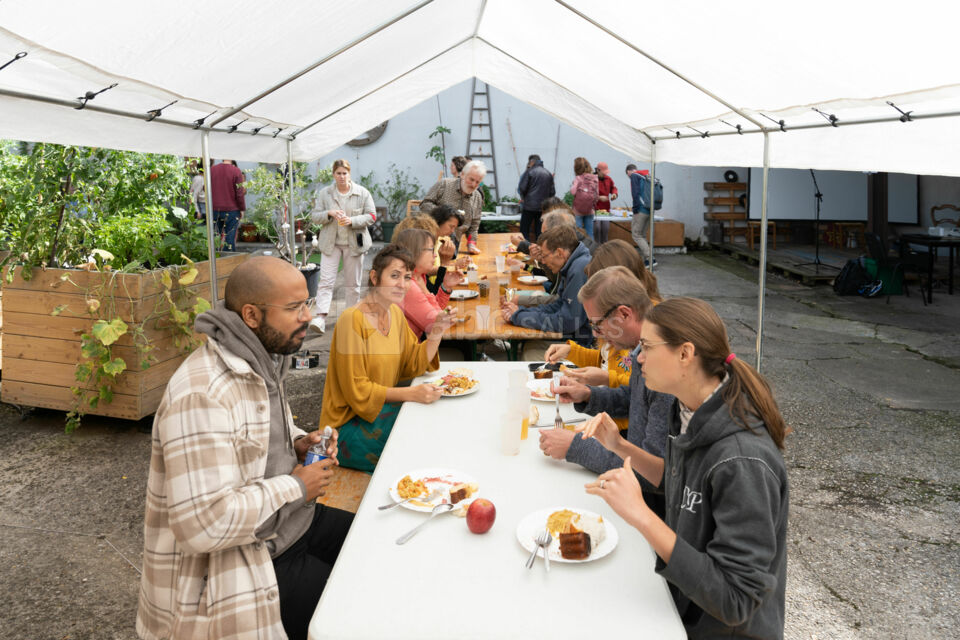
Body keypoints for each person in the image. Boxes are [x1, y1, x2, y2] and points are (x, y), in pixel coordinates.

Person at [137, 256, 353, 640]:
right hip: (254, 555)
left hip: (294, 522)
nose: (308, 316)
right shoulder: (201, 394)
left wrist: (299, 443)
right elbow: (201, 526)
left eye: (307, 303)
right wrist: (297, 486)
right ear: (252, 315)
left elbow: (258, 437)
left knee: (378, 543)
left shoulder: (262, 357)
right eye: (294, 308)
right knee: (354, 613)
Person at [581, 297, 789, 639]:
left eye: (647, 346)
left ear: (684, 354)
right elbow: (678, 482)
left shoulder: (743, 461)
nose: (638, 357)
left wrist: (642, 517)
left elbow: (736, 601)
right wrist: (619, 446)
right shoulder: (690, 411)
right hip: (680, 607)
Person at [540, 266, 670, 519]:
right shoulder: (643, 348)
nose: (597, 335)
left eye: (598, 326)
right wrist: (588, 395)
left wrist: (573, 447)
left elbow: (647, 474)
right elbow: (634, 399)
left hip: (650, 510)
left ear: (624, 314)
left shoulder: (661, 368)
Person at [319, 245, 455, 472]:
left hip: (379, 412)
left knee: (434, 425)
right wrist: (410, 394)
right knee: (414, 447)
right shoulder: (351, 319)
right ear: (374, 277)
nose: (402, 284)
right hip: (344, 429)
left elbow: (414, 363)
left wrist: (437, 332)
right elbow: (357, 390)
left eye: (407, 277)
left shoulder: (395, 314)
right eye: (394, 276)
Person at [500, 225, 592, 357]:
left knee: (530, 351)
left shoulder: (578, 269)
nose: (542, 261)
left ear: (560, 253)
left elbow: (567, 321)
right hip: (574, 337)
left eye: (544, 256)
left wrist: (519, 316)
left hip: (584, 345)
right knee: (529, 344)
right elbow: (557, 305)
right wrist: (520, 312)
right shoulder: (572, 264)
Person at [309, 159, 377, 335]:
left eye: (344, 173)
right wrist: (329, 214)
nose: (341, 176)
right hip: (331, 244)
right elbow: (314, 216)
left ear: (349, 173)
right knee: (326, 281)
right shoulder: (325, 194)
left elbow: (372, 216)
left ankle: (350, 317)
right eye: (338, 173)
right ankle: (321, 317)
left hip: (354, 244)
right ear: (333, 174)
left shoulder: (362, 193)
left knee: (352, 284)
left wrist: (352, 220)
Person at [392, 227, 462, 338]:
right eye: (431, 250)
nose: (435, 255)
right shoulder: (407, 285)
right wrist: (446, 317)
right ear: (415, 252)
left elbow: (432, 309)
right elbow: (435, 326)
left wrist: (445, 287)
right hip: (409, 352)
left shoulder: (419, 276)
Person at [419, 159, 486, 255]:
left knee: (449, 268)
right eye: (471, 179)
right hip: (432, 239)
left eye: (477, 182)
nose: (473, 185)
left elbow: (474, 225)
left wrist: (471, 244)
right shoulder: (445, 184)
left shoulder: (477, 197)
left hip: (454, 243)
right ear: (462, 174)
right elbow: (424, 204)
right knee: (431, 268)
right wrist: (443, 214)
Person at [517, 154, 556, 242]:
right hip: (542, 208)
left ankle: (525, 251)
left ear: (531, 162)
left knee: (524, 230)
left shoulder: (529, 172)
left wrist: (525, 197)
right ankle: (540, 252)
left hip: (529, 206)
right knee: (540, 231)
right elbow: (552, 192)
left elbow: (522, 188)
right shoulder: (548, 173)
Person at [209, 158, 245, 251]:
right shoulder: (236, 171)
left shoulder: (212, 170)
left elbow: (205, 188)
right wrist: (242, 209)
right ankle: (229, 262)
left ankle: (215, 261)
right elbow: (239, 193)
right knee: (229, 238)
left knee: (215, 238)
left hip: (214, 209)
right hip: (232, 210)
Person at [626, 163, 655, 266]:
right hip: (650, 209)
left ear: (629, 171)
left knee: (636, 235)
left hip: (641, 210)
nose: (629, 178)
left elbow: (635, 194)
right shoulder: (646, 176)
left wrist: (635, 210)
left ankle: (650, 259)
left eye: (628, 176)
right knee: (642, 235)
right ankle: (647, 261)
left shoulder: (634, 176)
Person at [569, 156, 599, 240]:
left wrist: (574, 184)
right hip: (590, 210)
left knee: (578, 233)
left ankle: (579, 252)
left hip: (578, 210)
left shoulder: (578, 178)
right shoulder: (595, 178)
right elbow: (597, 196)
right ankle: (591, 251)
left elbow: (573, 192)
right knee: (590, 233)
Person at [594, 161, 618, 243]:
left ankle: (604, 249)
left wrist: (614, 194)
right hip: (595, 209)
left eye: (606, 172)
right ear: (598, 170)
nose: (605, 174)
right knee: (597, 228)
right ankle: (596, 249)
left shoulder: (608, 179)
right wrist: (599, 197)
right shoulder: (592, 179)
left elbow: (613, 188)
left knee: (605, 229)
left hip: (605, 209)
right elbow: (588, 194)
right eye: (603, 172)